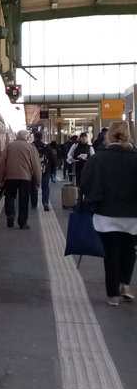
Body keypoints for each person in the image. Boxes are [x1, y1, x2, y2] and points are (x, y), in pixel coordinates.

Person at [79, 122, 137, 306]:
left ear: (109, 136)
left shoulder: (97, 158)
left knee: (111, 253)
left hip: (106, 215)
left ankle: (112, 296)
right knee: (129, 250)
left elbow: (85, 184)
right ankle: (125, 285)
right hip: (132, 216)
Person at [2, 128, 41, 229]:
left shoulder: (9, 146)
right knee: (24, 199)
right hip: (25, 177)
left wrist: (0, 177)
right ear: (27, 137)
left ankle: (10, 215)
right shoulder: (30, 147)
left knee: (9, 196)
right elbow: (36, 165)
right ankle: (22, 222)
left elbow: (2, 163)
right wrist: (38, 181)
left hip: (10, 177)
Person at [40, 140, 60, 211]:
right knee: (45, 186)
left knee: (33, 186)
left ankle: (34, 202)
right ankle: (45, 202)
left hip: (34, 169)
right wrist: (53, 172)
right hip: (46, 170)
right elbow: (53, 161)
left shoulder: (32, 146)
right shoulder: (48, 148)